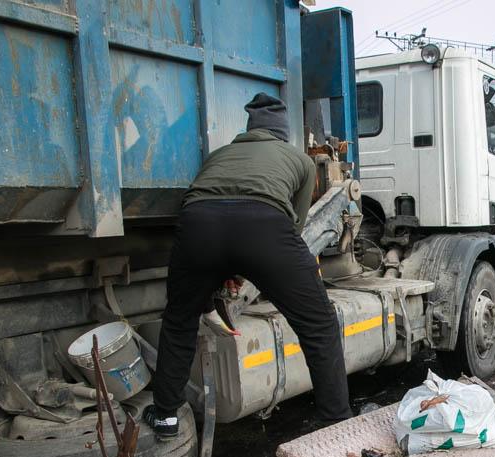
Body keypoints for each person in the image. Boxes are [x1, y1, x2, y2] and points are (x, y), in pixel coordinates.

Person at [143, 93, 353, 438]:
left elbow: (215, 208)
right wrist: (248, 263)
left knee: (179, 321)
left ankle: (165, 415)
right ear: (281, 133)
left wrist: (227, 266)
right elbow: (295, 225)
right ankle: (335, 421)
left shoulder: (219, 155)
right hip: (265, 227)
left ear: (249, 130)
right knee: (319, 323)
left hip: (197, 226)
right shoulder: (298, 160)